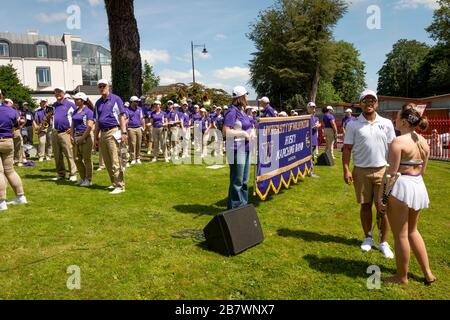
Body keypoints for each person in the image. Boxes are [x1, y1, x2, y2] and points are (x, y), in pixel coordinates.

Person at [382, 103, 436, 285]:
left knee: (401, 235)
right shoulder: (423, 141)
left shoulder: (398, 142)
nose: (394, 120)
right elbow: (423, 171)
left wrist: (383, 198)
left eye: (397, 117)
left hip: (402, 186)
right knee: (413, 230)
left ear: (404, 122)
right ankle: (428, 273)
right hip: (418, 185)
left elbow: (391, 174)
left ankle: (401, 276)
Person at [343, 89, 396, 258]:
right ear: (360, 104)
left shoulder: (386, 123)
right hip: (360, 171)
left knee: (382, 208)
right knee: (365, 205)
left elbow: (394, 148)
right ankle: (368, 237)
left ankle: (383, 242)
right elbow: (347, 148)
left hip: (383, 170)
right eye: (365, 100)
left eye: (372, 100)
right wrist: (345, 169)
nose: (369, 103)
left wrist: (394, 170)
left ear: (377, 103)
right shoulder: (352, 124)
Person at [93, 79, 128, 194]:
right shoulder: (98, 103)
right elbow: (97, 121)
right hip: (102, 133)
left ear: (108, 87)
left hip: (113, 130)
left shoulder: (115, 99)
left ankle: (120, 185)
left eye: (104, 86)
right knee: (107, 161)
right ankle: (114, 183)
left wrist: (123, 132)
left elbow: (121, 116)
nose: (102, 88)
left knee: (115, 159)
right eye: (100, 86)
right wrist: (96, 137)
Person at [224, 86, 255, 209]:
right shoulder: (232, 111)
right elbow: (226, 131)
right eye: (246, 95)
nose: (247, 97)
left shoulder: (242, 111)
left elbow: (249, 126)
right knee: (237, 181)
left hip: (246, 147)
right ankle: (234, 208)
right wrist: (242, 133)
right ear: (240, 97)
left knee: (244, 181)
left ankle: (243, 206)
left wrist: (252, 131)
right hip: (236, 149)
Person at [0, 98, 28, 210]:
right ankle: (20, 196)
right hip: (8, 141)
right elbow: (18, 123)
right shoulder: (12, 110)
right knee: (10, 170)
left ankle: (2, 202)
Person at [52, 87, 78, 182]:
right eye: (56, 92)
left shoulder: (70, 104)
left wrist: (72, 129)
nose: (58, 94)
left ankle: (73, 173)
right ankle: (61, 174)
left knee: (69, 154)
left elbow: (76, 117)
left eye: (59, 92)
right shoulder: (53, 105)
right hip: (55, 132)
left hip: (65, 133)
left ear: (64, 93)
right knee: (57, 155)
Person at [71, 92, 95, 187]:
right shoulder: (75, 111)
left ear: (83, 100)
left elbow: (89, 126)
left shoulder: (89, 112)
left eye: (77, 99)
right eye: (75, 99)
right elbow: (72, 124)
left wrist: (82, 138)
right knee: (77, 159)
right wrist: (71, 136)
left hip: (85, 137)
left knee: (87, 159)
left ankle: (88, 179)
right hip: (76, 136)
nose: (75, 101)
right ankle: (83, 178)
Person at [127, 96, 145, 165]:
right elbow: (126, 120)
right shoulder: (127, 110)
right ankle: (133, 158)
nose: (137, 103)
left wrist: (143, 127)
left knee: (139, 143)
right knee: (132, 144)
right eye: (136, 101)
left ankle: (138, 158)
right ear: (132, 102)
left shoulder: (139, 109)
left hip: (138, 128)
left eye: (138, 101)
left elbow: (142, 118)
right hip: (130, 128)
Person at [306, 102, 321, 178]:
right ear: (308, 108)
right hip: (308, 140)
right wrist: (315, 126)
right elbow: (306, 129)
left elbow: (317, 124)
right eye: (311, 107)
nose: (313, 109)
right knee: (309, 156)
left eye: (314, 107)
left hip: (314, 139)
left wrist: (317, 125)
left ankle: (309, 171)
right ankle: (310, 172)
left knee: (312, 156)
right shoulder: (306, 117)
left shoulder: (315, 117)